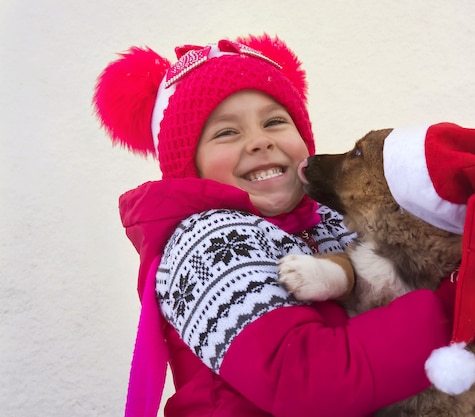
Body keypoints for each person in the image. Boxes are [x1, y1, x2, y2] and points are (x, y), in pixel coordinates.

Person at [93, 34, 454, 417]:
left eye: (275, 121)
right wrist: (451, 315)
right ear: (190, 168)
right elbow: (306, 381)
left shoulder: (332, 218)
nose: (260, 141)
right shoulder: (204, 241)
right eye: (227, 132)